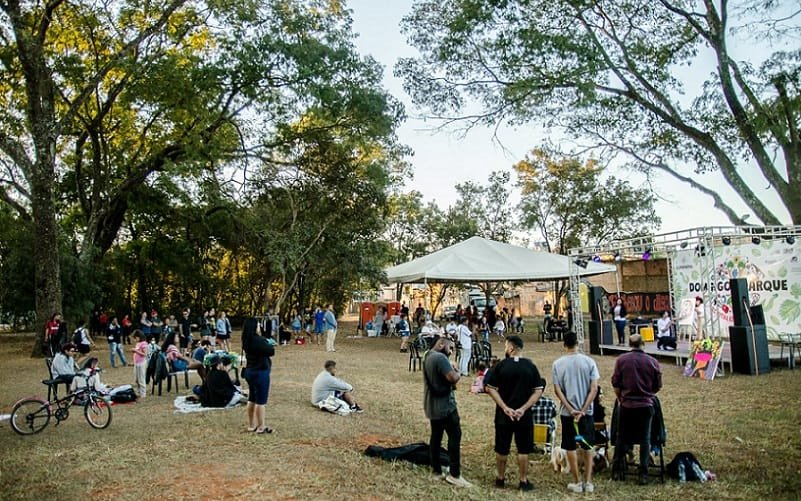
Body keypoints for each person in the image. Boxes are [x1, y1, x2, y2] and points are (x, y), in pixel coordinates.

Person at [483, 335, 544, 492]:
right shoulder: (530, 367)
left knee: (502, 448)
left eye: (505, 346)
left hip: (504, 415)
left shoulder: (501, 366)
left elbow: (490, 388)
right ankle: (523, 481)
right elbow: (538, 391)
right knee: (523, 449)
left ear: (511, 348)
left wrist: (504, 407)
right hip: (524, 415)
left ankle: (500, 479)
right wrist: (523, 408)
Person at [552, 331, 601, 494]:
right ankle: (588, 481)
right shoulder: (589, 362)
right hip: (586, 413)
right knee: (587, 445)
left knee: (570, 445)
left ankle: (577, 481)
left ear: (564, 345)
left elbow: (558, 390)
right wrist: (584, 409)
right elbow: (594, 388)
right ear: (578, 343)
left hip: (568, 414)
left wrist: (571, 408)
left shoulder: (558, 364)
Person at [610, 334, 662, 485]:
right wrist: (648, 394)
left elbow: (615, 383)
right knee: (645, 439)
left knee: (622, 437)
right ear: (643, 344)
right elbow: (657, 385)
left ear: (629, 344)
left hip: (627, 405)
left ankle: (617, 469)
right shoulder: (652, 361)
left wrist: (621, 398)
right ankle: (643, 473)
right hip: (645, 405)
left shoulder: (621, 360)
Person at [423, 336, 472, 488]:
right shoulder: (440, 358)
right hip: (445, 406)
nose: (450, 351)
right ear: (441, 344)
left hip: (431, 404)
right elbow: (452, 378)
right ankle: (455, 474)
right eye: (450, 348)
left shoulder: (428, 356)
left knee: (436, 437)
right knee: (455, 436)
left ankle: (436, 470)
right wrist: (457, 372)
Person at [242, 317, 275, 434]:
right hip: (260, 372)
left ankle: (251, 425)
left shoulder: (246, 340)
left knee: (252, 398)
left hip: (250, 371)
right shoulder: (258, 340)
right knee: (261, 401)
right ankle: (261, 426)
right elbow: (271, 351)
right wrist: (266, 341)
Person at [132, 330, 148, 397]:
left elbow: (145, 354)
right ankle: (138, 392)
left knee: (141, 378)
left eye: (135, 338)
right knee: (136, 379)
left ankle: (143, 394)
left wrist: (136, 351)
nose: (135, 339)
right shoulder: (138, 343)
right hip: (136, 363)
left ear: (138, 337)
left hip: (141, 363)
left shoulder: (144, 343)